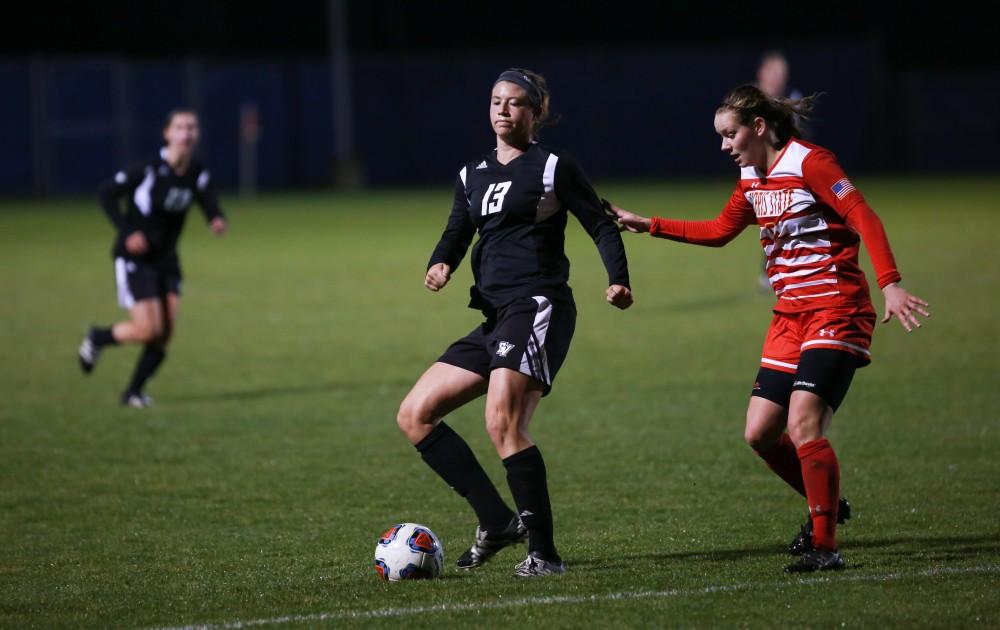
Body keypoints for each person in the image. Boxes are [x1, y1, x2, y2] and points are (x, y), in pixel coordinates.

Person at [612, 85, 930, 573]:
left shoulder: (811, 162)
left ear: (758, 127)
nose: (724, 146)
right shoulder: (750, 176)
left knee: (804, 422)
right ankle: (825, 500)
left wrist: (891, 284)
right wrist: (647, 223)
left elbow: (863, 215)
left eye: (729, 134)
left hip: (836, 308)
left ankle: (825, 547)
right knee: (760, 432)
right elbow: (719, 231)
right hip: (789, 317)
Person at [396, 68, 633, 578]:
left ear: (537, 112)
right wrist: (442, 263)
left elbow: (600, 224)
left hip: (537, 305)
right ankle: (497, 521)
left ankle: (544, 555)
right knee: (415, 414)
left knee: (503, 422)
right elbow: (457, 231)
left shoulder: (552, 167)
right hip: (495, 315)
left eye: (516, 103)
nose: (503, 110)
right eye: (496, 101)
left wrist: (619, 279)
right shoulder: (471, 173)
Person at [78, 109, 228, 407]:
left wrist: (216, 218)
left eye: (191, 128)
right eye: (180, 127)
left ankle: (133, 392)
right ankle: (98, 337)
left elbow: (207, 199)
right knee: (148, 329)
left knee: (165, 334)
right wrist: (127, 232)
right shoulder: (147, 169)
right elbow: (106, 193)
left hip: (167, 259)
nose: (186, 133)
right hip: (136, 259)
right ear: (167, 133)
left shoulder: (197, 172)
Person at [755, 50, 804, 292]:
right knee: (771, 221)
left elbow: (800, 134)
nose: (778, 78)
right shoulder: (749, 99)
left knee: (788, 219)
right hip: (758, 171)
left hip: (787, 170)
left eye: (781, 74)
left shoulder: (790, 99)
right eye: (773, 73)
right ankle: (772, 270)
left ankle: (788, 269)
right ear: (762, 73)